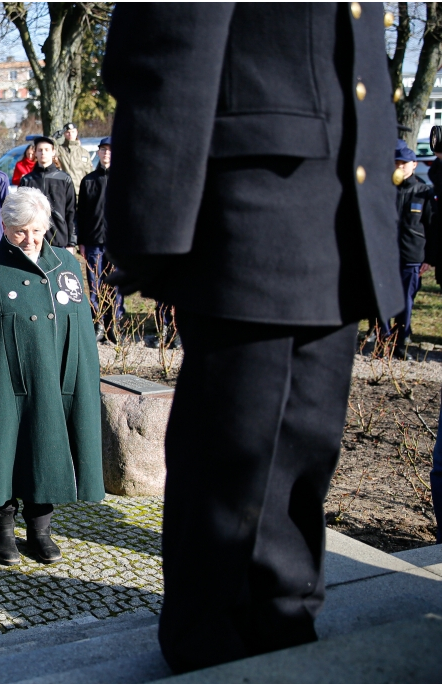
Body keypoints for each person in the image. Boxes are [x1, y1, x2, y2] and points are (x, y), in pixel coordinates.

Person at [103, 3, 403, 673]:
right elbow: (166, 37)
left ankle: (284, 632)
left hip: (338, 209)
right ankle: (212, 654)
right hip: (250, 214)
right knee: (230, 467)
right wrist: (154, 233)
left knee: (304, 457)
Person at [0, 186, 103, 564]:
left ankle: (40, 530)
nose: (29, 238)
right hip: (2, 383)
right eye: (19, 231)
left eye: (36, 230)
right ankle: (2, 530)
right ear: (3, 225)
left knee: (43, 449)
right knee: (1, 452)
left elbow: (79, 328)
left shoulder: (66, 263)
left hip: (52, 380)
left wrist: (75, 377)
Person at [370, 142, 434, 354]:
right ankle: (382, 339)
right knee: (381, 299)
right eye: (395, 163)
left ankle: (400, 342)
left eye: (403, 163)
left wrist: (429, 258)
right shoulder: (383, 190)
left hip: (411, 256)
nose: (399, 167)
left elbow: (432, 228)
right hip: (384, 256)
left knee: (405, 301)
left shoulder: (424, 192)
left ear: (414, 165)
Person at [77, 136, 122, 342]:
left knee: (115, 286)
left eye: (110, 151)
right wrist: (82, 242)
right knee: (95, 286)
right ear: (98, 153)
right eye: (103, 150)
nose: (106, 154)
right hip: (93, 242)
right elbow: (82, 213)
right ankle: (97, 324)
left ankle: (114, 325)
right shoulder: (88, 181)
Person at [18, 137, 76, 250]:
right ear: (35, 152)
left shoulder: (64, 179)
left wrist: (71, 242)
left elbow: (71, 212)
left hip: (59, 241)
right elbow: (21, 213)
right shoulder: (27, 180)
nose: (43, 152)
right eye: (40, 150)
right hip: (32, 241)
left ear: (53, 152)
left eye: (46, 149)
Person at [54, 123, 95, 198]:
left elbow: (90, 174)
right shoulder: (59, 150)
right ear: (64, 134)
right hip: (63, 192)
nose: (70, 134)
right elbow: (47, 147)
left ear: (77, 132)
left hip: (81, 192)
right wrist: (54, 137)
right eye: (67, 132)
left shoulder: (84, 152)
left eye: (73, 132)